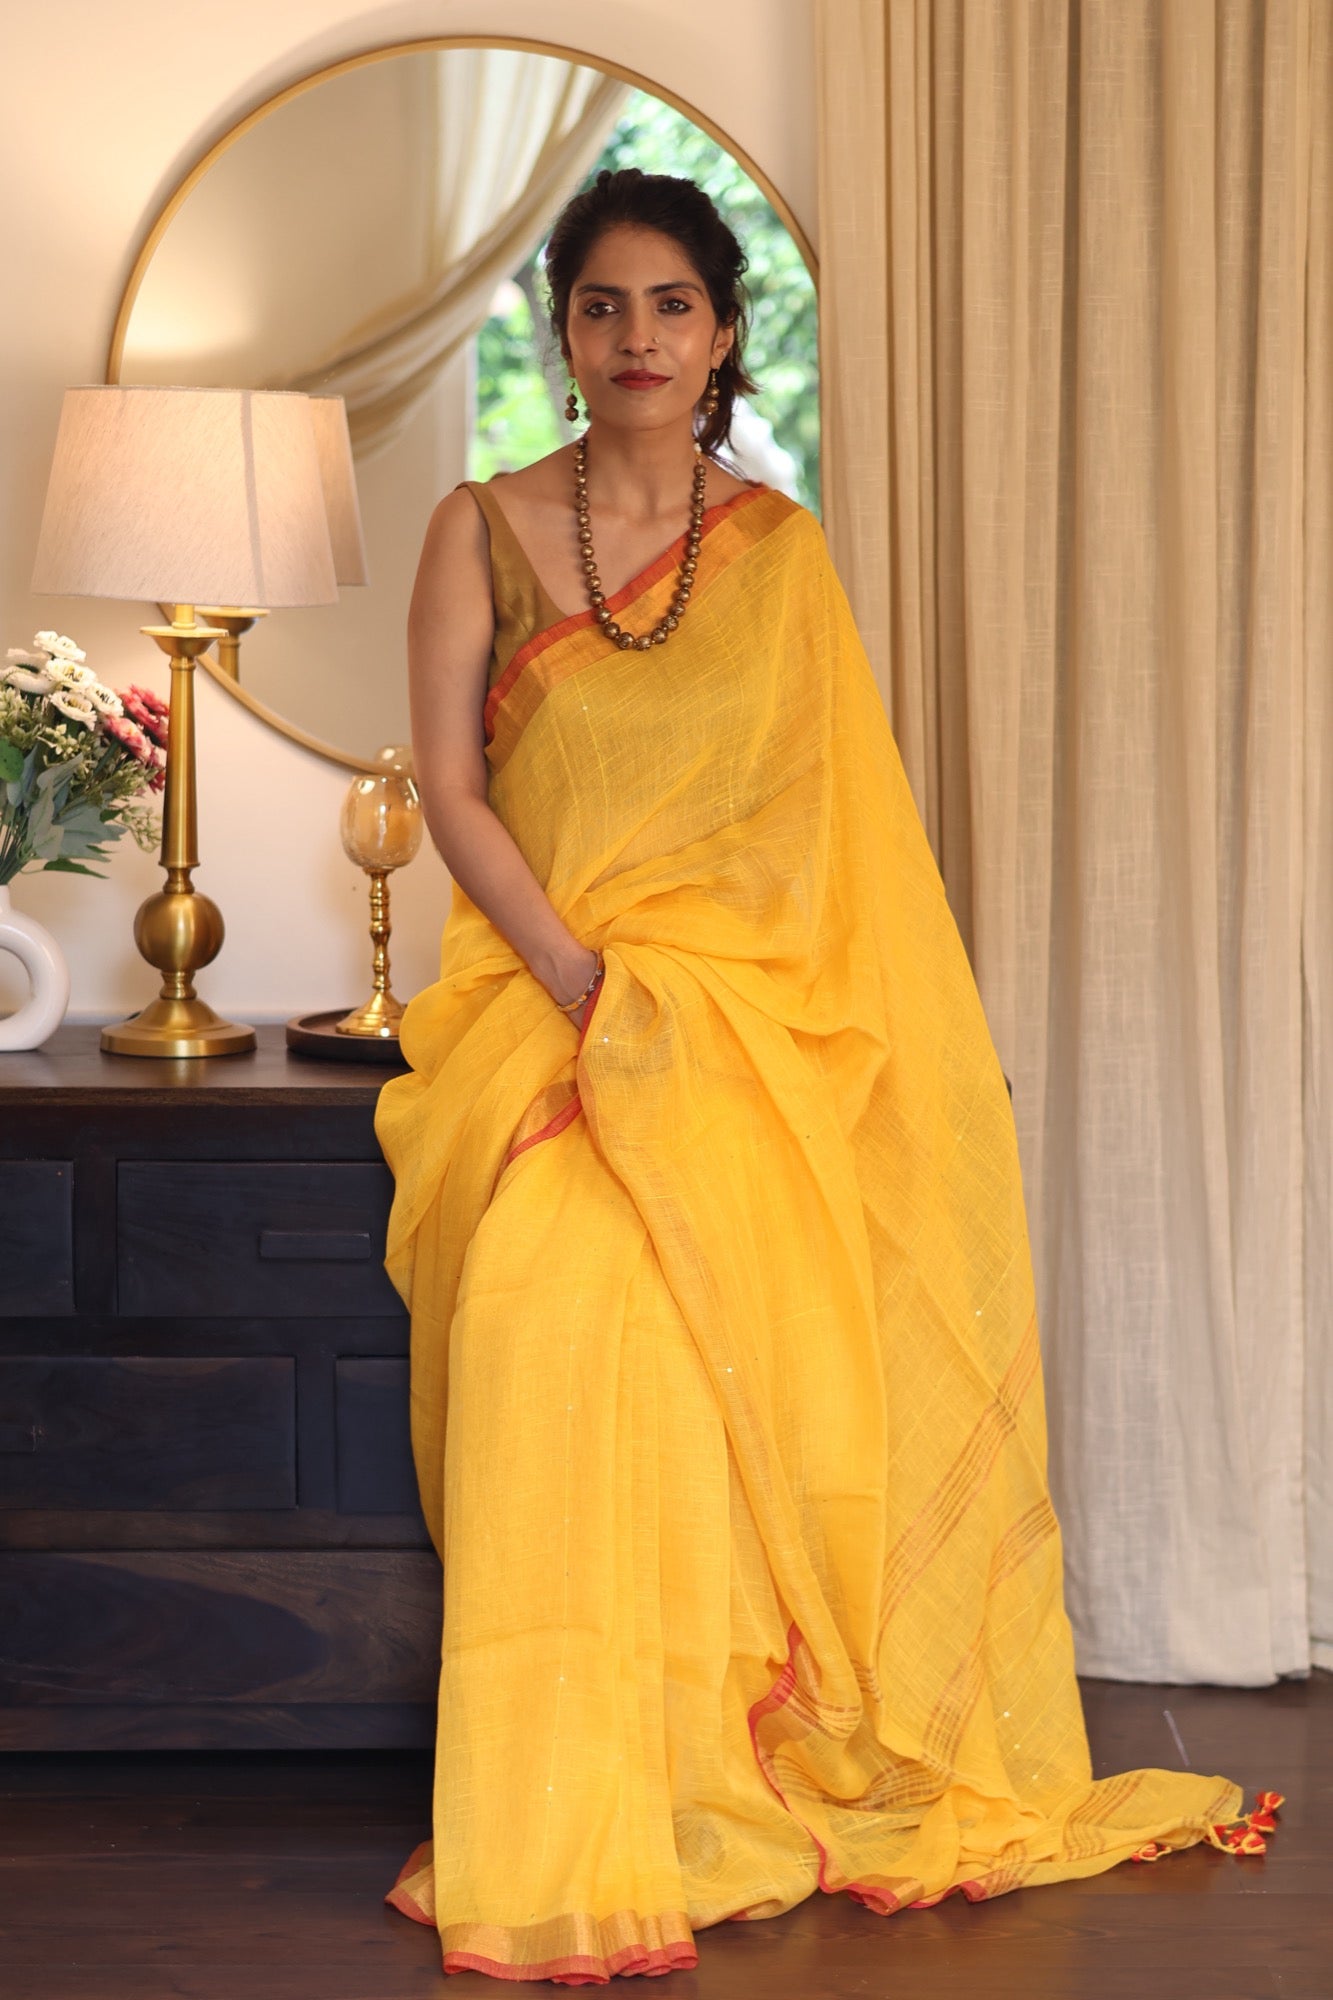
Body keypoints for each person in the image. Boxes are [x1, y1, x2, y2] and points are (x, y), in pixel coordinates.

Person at [374, 167, 1279, 1987]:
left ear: (721, 336)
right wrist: (580, 977)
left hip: (742, 1024)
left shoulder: (776, 558)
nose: (638, 338)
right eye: (604, 305)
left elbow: (825, 839)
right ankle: (583, 1793)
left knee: (739, 1339)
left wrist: (734, 1018)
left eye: (673, 306)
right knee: (559, 1308)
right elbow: (452, 790)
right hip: (548, 1005)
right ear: (564, 331)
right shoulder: (478, 526)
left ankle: (735, 1766)